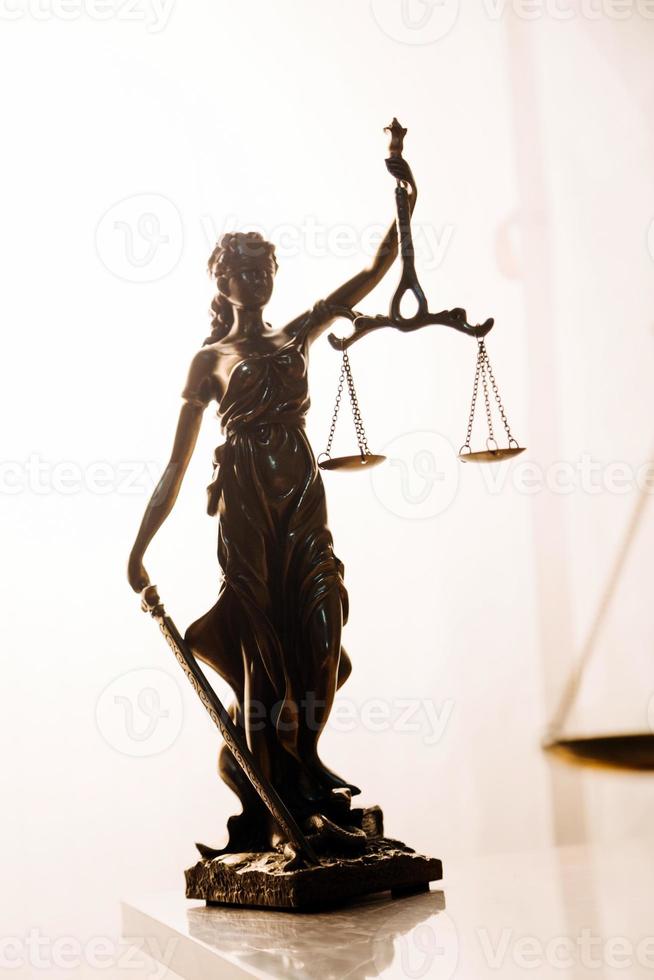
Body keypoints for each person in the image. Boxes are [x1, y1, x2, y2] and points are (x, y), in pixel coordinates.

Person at [127, 157, 416, 851]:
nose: (255, 280)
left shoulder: (297, 334)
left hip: (304, 503)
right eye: (242, 270)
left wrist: (404, 204)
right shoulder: (211, 360)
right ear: (221, 280)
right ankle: (287, 811)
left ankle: (306, 765)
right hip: (250, 513)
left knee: (322, 630)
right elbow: (177, 461)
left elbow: (374, 273)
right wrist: (139, 550)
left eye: (264, 270)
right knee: (263, 656)